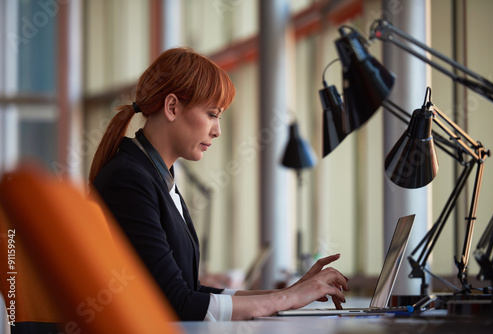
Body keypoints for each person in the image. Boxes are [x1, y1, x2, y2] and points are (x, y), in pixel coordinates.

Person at [89, 47, 349, 321]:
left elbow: (189, 289)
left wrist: (289, 293)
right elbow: (177, 303)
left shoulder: (154, 175)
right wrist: (287, 298)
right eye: (212, 114)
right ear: (172, 107)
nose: (217, 130)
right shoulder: (130, 179)